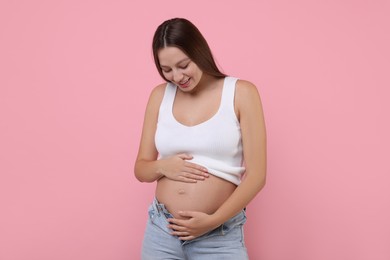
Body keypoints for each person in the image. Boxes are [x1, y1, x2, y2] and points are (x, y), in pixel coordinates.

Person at [134, 17, 266, 259]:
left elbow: (257, 176)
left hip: (219, 235)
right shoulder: (159, 96)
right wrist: (163, 166)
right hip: (162, 230)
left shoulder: (241, 93)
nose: (177, 76)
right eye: (166, 70)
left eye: (183, 65)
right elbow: (141, 169)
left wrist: (212, 221)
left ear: (199, 52)